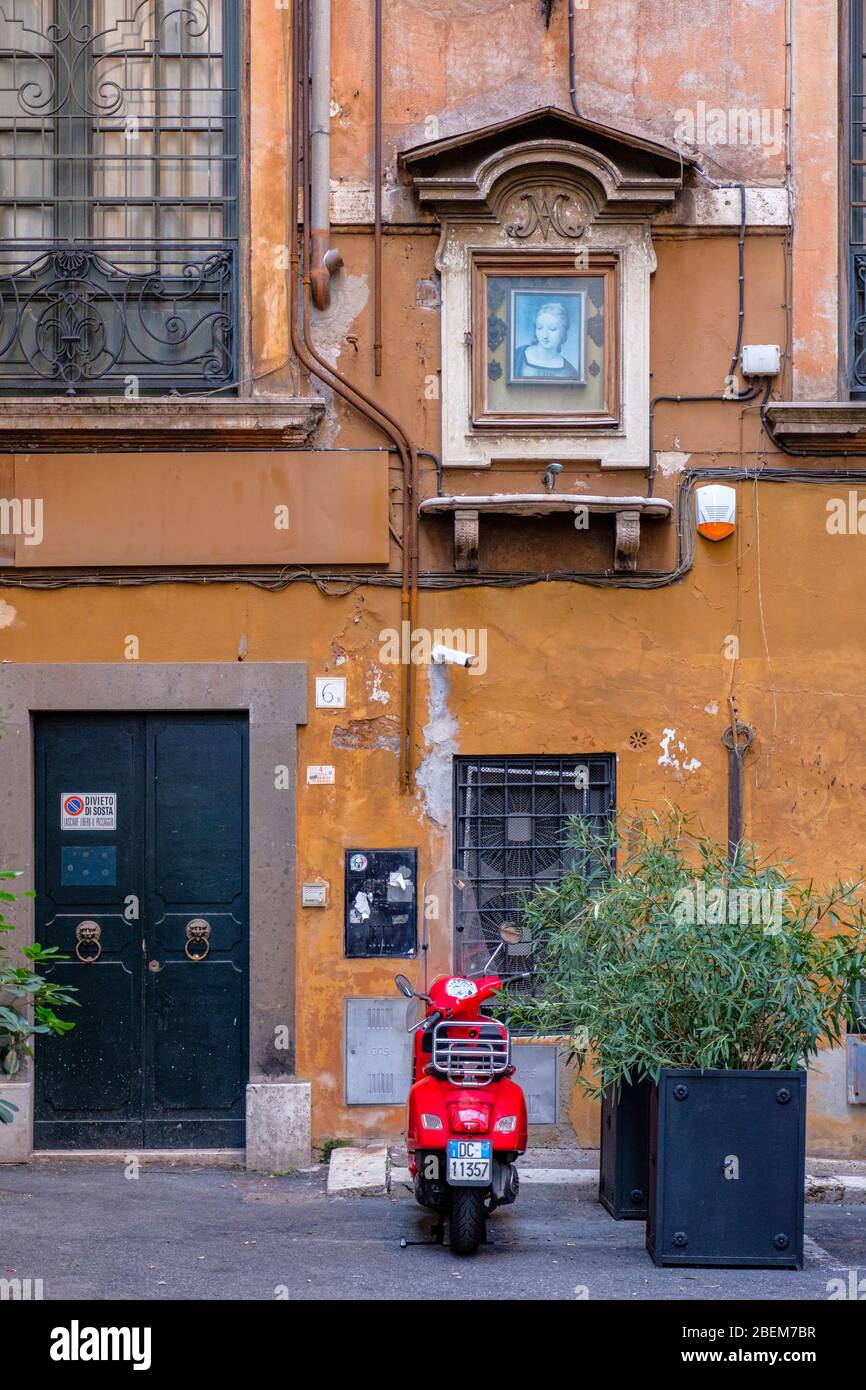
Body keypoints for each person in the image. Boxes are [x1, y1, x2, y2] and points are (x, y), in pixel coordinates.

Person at [514, 300, 580, 379]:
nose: (545, 335)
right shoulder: (518, 355)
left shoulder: (570, 372)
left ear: (562, 332)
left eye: (552, 329)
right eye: (539, 328)